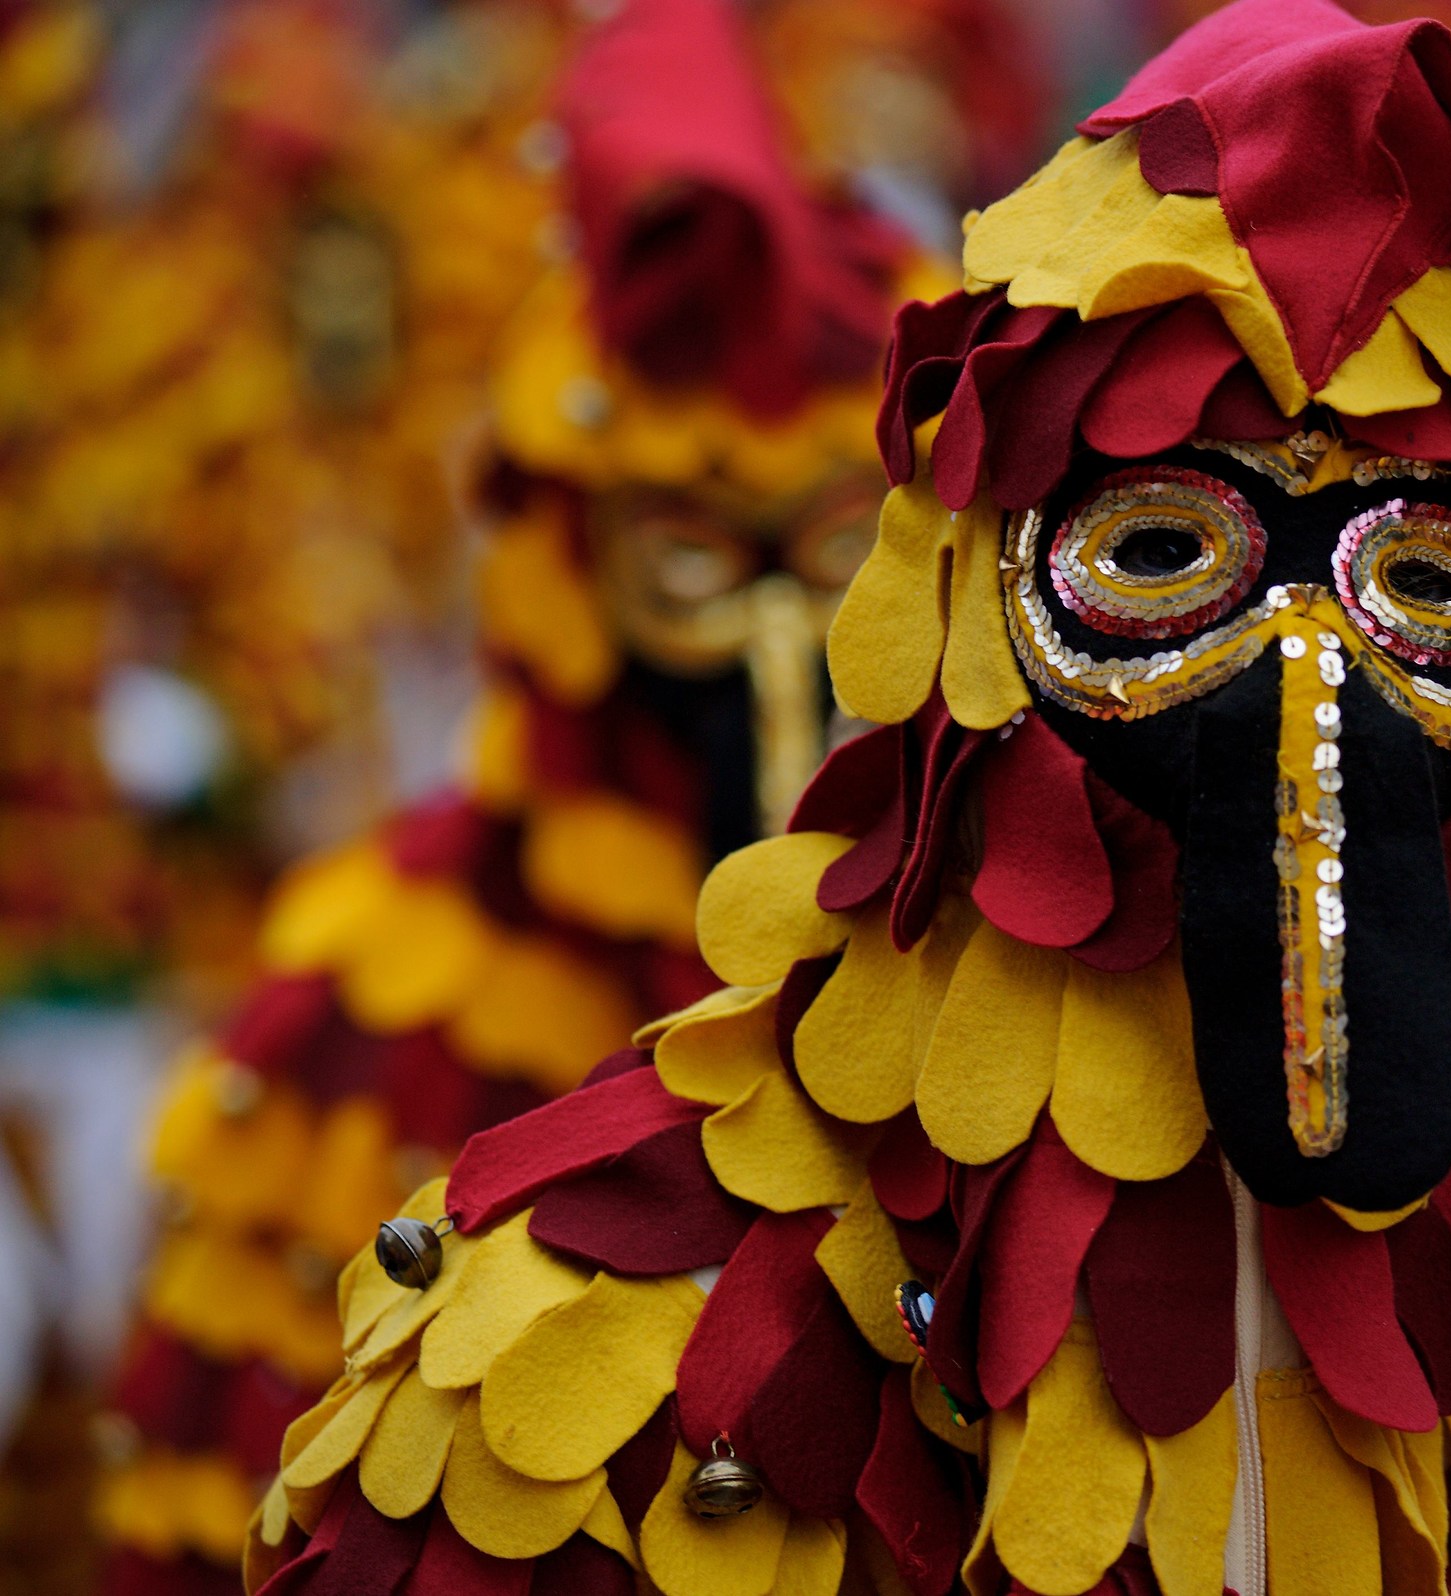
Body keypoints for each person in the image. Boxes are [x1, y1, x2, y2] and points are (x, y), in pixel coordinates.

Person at [245, 5, 1451, 1594]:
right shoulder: (582, 1350)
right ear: (965, 609)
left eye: (1421, 580)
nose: (1306, 670)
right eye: (1163, 557)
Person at [93, 1, 909, 1589]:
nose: (771, 643)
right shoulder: (358, 1010)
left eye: (836, 558)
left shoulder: (1013, 973)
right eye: (689, 557)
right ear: (572, 563)